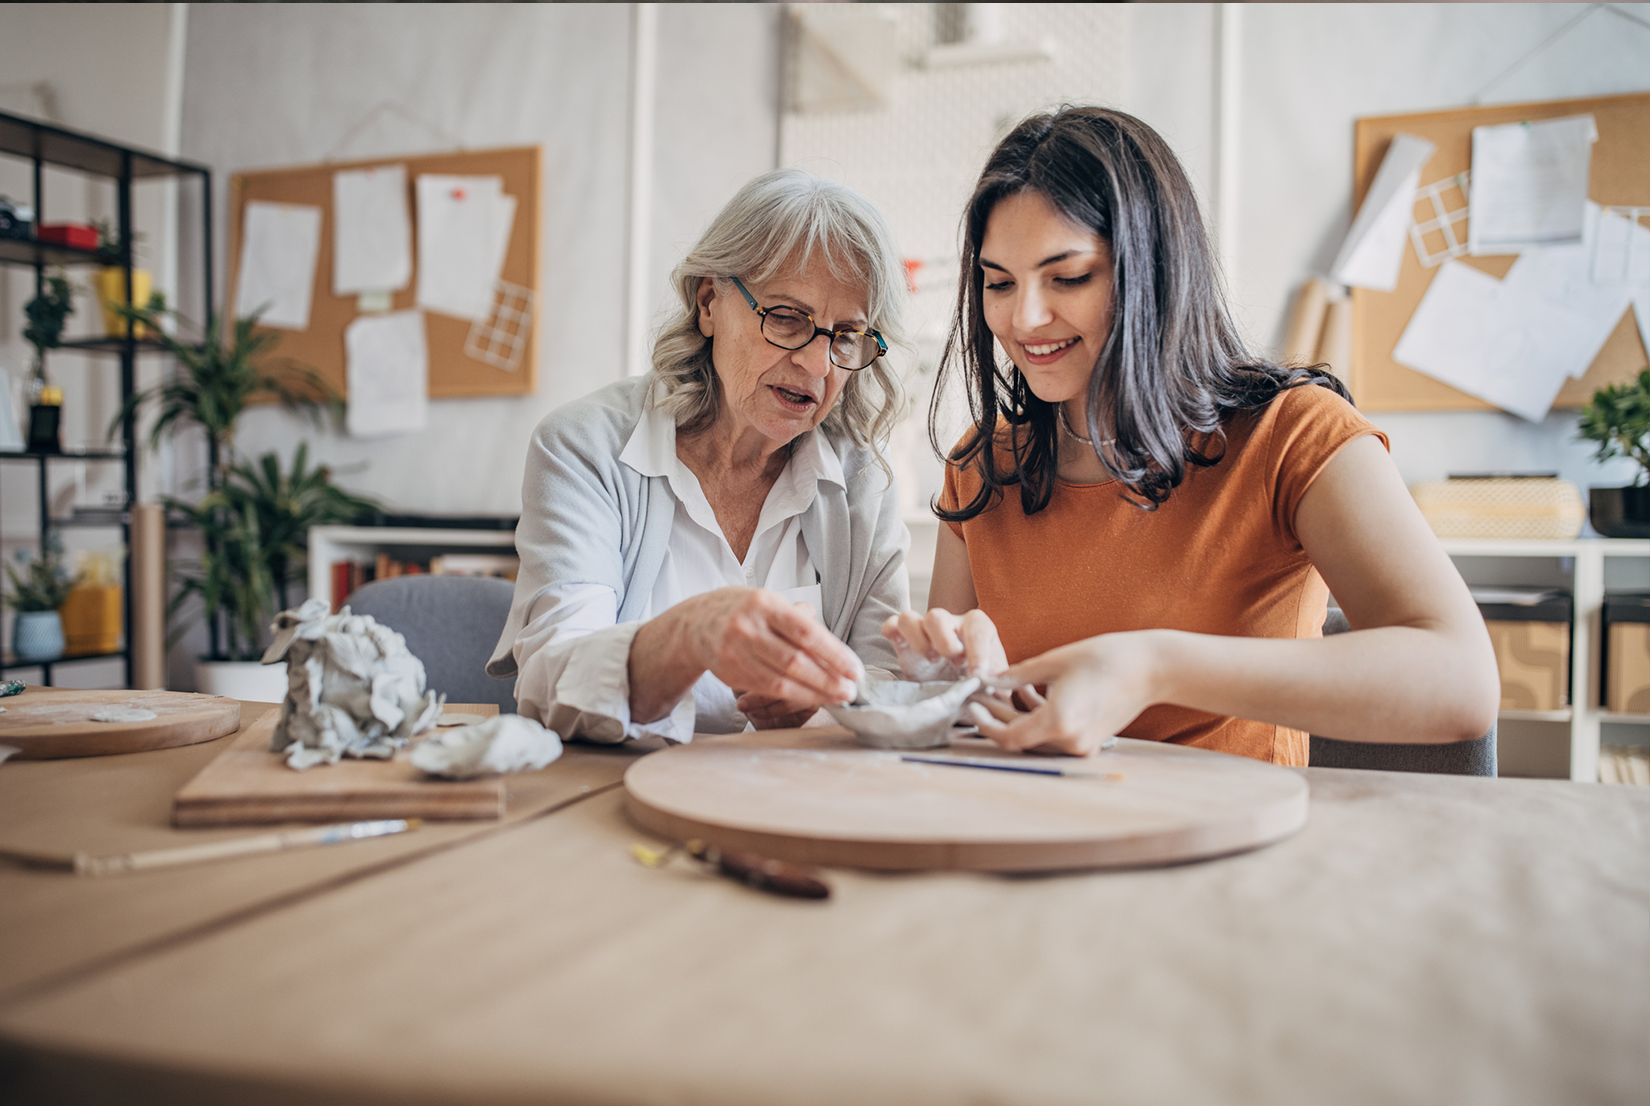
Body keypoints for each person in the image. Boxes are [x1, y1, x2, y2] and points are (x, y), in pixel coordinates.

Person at [883, 106, 1500, 764]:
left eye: (1068, 277)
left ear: (1154, 270)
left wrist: (1153, 665)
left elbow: (1461, 683)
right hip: (1044, 835)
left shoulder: (1293, 434)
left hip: (1234, 844)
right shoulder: (982, 464)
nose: (1025, 318)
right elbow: (960, 710)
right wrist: (946, 679)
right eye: (998, 282)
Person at [487, 169, 910, 741]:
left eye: (844, 335)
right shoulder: (586, 447)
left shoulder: (864, 481)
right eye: (787, 317)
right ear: (709, 303)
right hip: (619, 801)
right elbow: (551, 687)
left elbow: (883, 681)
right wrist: (688, 637)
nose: (817, 366)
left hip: (793, 799)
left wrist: (824, 706)